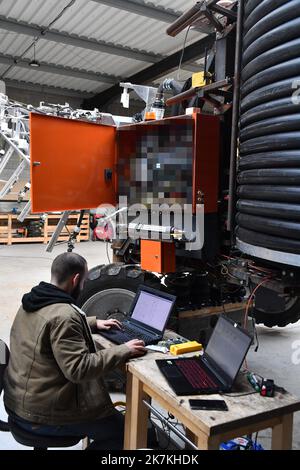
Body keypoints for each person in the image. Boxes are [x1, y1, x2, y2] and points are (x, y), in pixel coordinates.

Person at [4, 252, 146, 450]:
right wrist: (125, 349)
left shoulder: (33, 300)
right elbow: (79, 369)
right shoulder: (65, 315)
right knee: (125, 432)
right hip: (41, 414)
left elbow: (48, 326)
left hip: (18, 402)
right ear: (76, 279)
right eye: (84, 280)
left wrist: (93, 323)